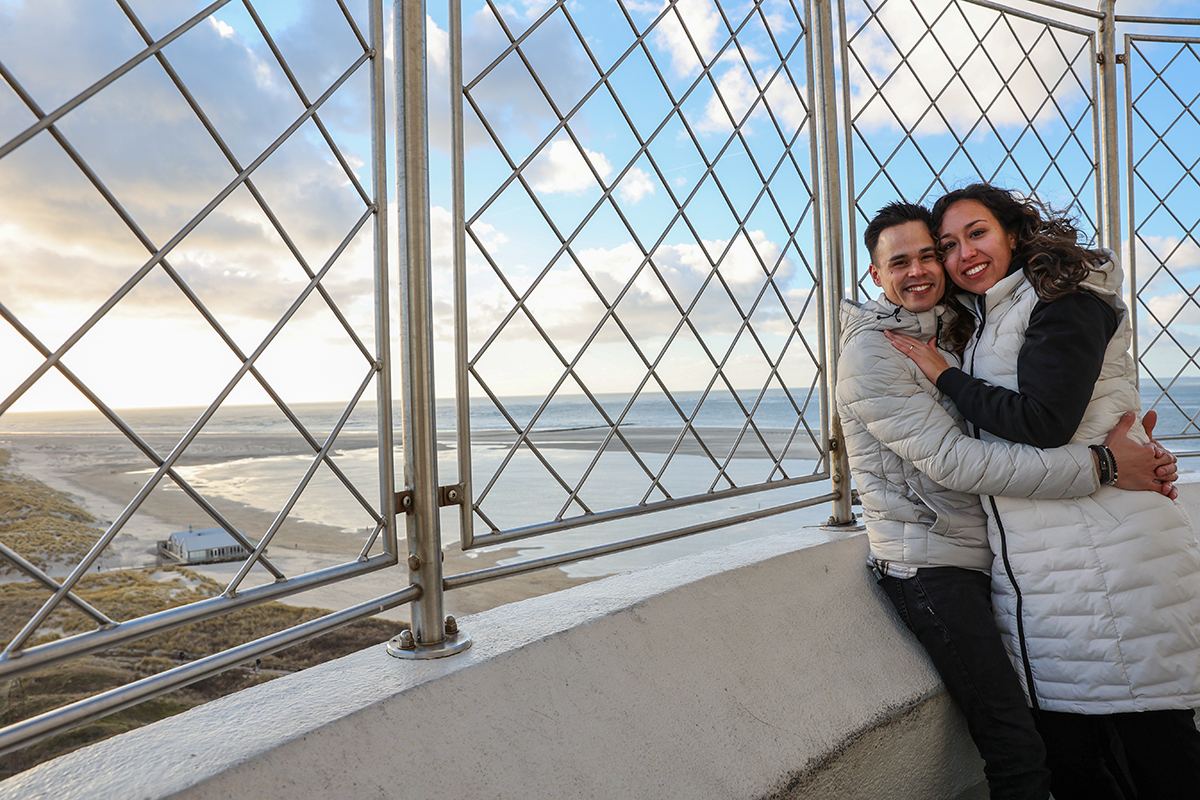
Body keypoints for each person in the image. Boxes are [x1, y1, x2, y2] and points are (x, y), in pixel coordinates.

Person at [836, 202, 1176, 800]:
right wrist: (1101, 465)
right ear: (874, 275)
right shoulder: (872, 353)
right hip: (931, 563)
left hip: (993, 553)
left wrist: (1135, 445)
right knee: (1018, 746)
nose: (921, 269)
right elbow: (957, 460)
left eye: (929, 253)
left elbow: (1057, 397)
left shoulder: (960, 325)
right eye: (900, 262)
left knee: (1075, 736)